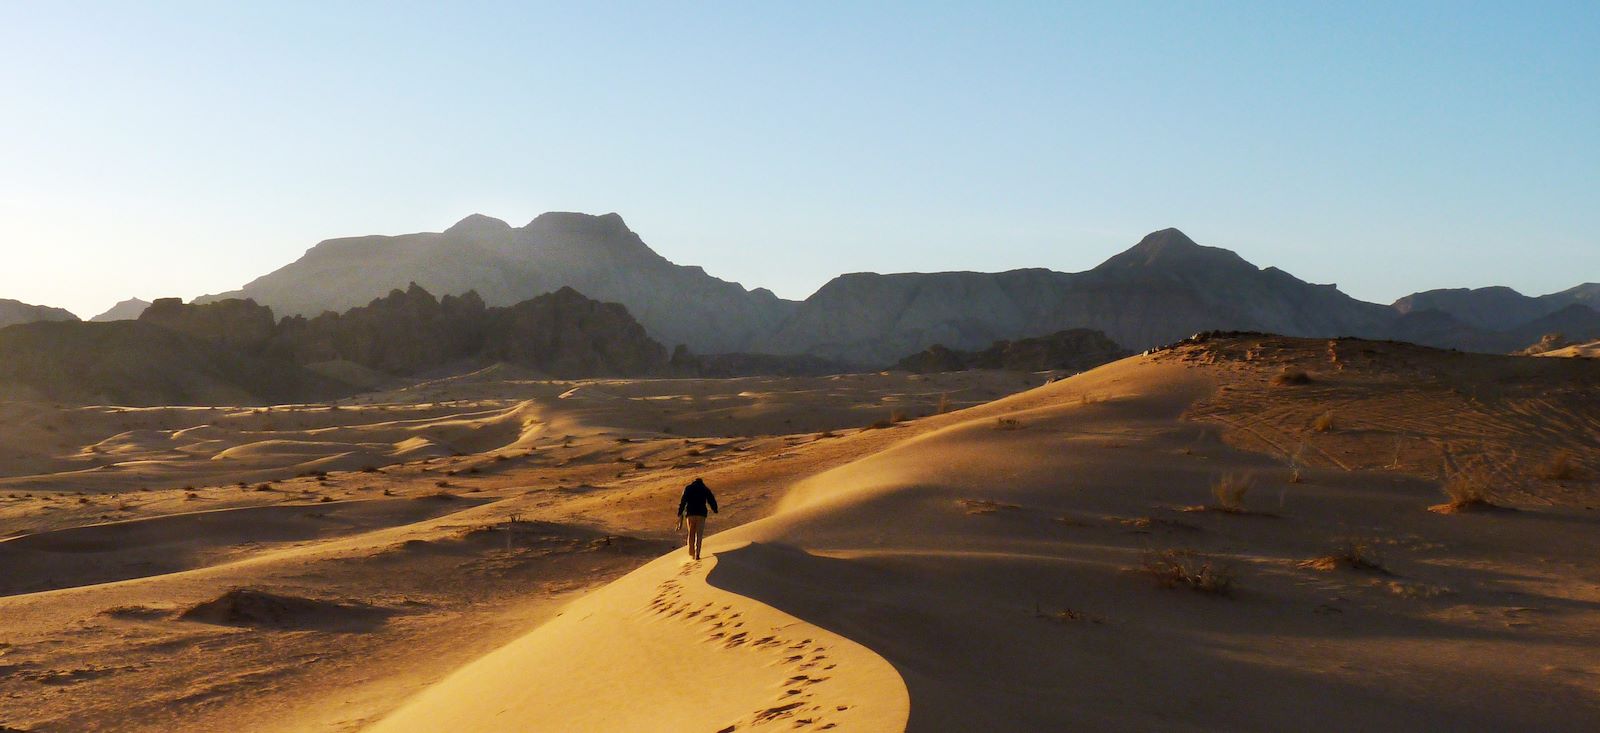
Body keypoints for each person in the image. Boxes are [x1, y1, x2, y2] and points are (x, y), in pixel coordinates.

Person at [676, 477, 718, 560]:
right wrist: (715, 509)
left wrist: (680, 512)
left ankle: (691, 552)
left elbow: (683, 501)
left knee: (691, 533)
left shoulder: (688, 488)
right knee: (699, 534)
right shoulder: (705, 489)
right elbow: (711, 500)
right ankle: (697, 554)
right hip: (701, 514)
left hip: (690, 514)